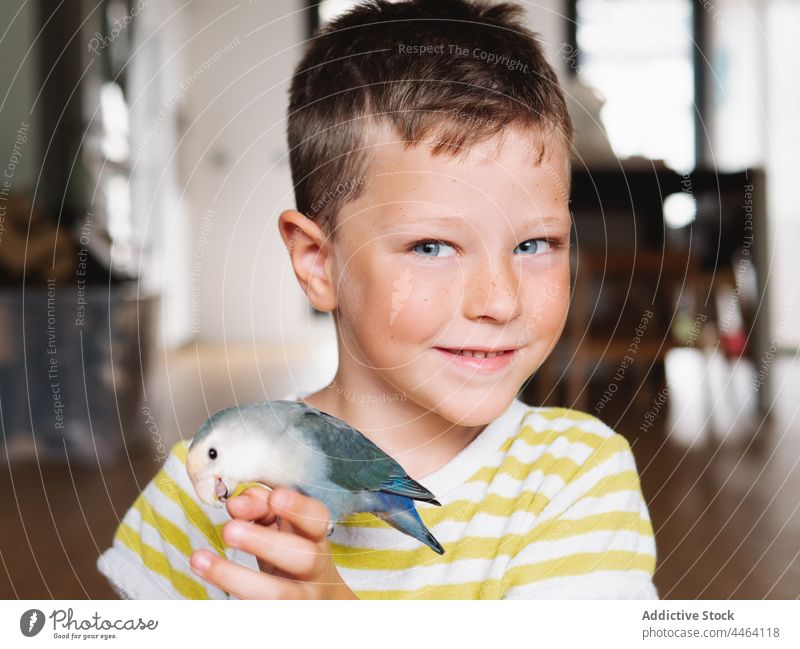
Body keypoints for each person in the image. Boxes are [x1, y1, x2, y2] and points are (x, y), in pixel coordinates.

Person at [97, 0, 658, 599]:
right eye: (433, 247)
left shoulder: (577, 479)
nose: (500, 300)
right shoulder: (193, 498)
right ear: (320, 263)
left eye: (534, 243)